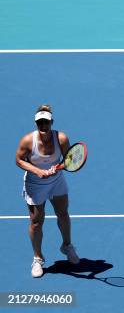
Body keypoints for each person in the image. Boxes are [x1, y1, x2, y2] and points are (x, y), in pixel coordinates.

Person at [15, 105, 80, 278]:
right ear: (36, 123)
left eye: (46, 122)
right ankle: (38, 258)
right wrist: (38, 171)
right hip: (35, 185)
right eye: (40, 123)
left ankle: (67, 246)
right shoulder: (28, 141)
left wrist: (58, 168)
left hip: (56, 181)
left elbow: (70, 160)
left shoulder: (62, 138)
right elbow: (19, 160)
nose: (43, 126)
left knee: (63, 214)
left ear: (52, 122)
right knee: (36, 222)